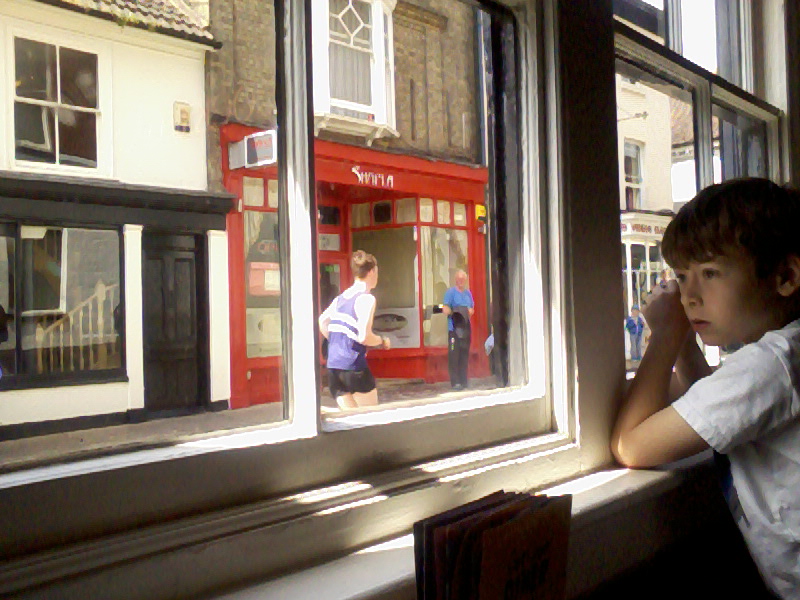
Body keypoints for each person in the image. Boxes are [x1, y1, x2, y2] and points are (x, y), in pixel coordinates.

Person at [611, 178, 800, 599]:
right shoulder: (785, 353)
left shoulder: (769, 364)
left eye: (710, 273)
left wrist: (665, 334)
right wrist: (681, 343)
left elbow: (631, 445)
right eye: (682, 276)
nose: (688, 296)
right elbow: (715, 411)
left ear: (784, 276)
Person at [319, 250, 390, 409]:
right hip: (354, 367)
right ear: (371, 272)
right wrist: (382, 340)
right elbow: (364, 336)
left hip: (334, 368)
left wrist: (338, 340)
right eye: (377, 271)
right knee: (369, 419)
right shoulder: (366, 298)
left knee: (351, 423)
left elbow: (322, 321)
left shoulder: (342, 297)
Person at [443, 269, 474, 389]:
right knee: (454, 355)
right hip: (454, 329)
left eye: (463, 279)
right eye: (459, 279)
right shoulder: (450, 293)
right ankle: (455, 382)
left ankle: (463, 381)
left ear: (465, 280)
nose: (461, 281)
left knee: (464, 355)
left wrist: (468, 312)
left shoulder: (468, 294)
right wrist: (455, 312)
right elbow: (445, 309)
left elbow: (472, 309)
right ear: (455, 280)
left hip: (466, 329)